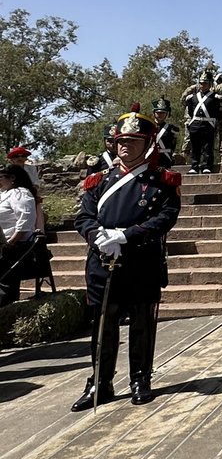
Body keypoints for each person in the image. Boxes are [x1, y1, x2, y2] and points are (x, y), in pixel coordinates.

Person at [71, 104, 181, 411]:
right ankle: (99, 382)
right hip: (102, 262)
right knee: (103, 325)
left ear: (147, 144)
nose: (124, 145)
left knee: (141, 324)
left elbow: (166, 217)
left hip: (141, 262)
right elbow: (84, 217)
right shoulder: (99, 180)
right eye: (121, 140)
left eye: (132, 141)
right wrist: (98, 237)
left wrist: (126, 236)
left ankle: (140, 379)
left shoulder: (162, 181)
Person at [0, 164, 39, 305]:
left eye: (1, 177)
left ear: (12, 178)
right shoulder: (3, 194)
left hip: (17, 245)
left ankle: (5, 307)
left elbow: (25, 220)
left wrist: (12, 241)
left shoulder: (20, 193)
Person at [183, 70, 222, 174]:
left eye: (205, 83)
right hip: (195, 124)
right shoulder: (192, 98)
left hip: (208, 124)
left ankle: (207, 166)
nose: (202, 85)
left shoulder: (215, 98)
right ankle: (194, 166)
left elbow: (218, 113)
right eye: (201, 83)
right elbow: (191, 112)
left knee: (207, 147)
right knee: (195, 147)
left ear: (210, 84)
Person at [150, 98, 178, 167]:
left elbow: (173, 145)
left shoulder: (172, 129)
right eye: (158, 113)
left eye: (163, 113)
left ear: (167, 114)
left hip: (165, 159)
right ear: (154, 113)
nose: (160, 115)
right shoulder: (149, 127)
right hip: (151, 158)